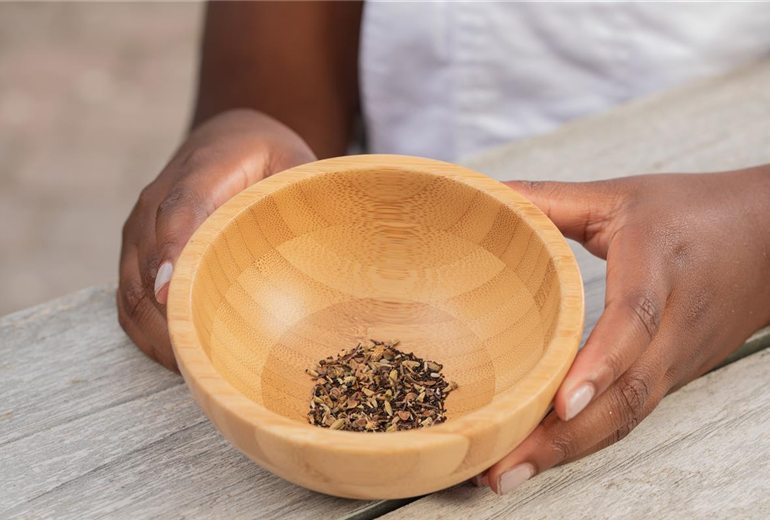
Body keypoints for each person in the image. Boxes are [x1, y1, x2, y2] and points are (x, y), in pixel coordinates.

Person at [118, 3, 770, 496]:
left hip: (701, 196)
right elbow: (272, 91)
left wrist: (760, 229)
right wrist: (247, 126)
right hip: (376, 229)